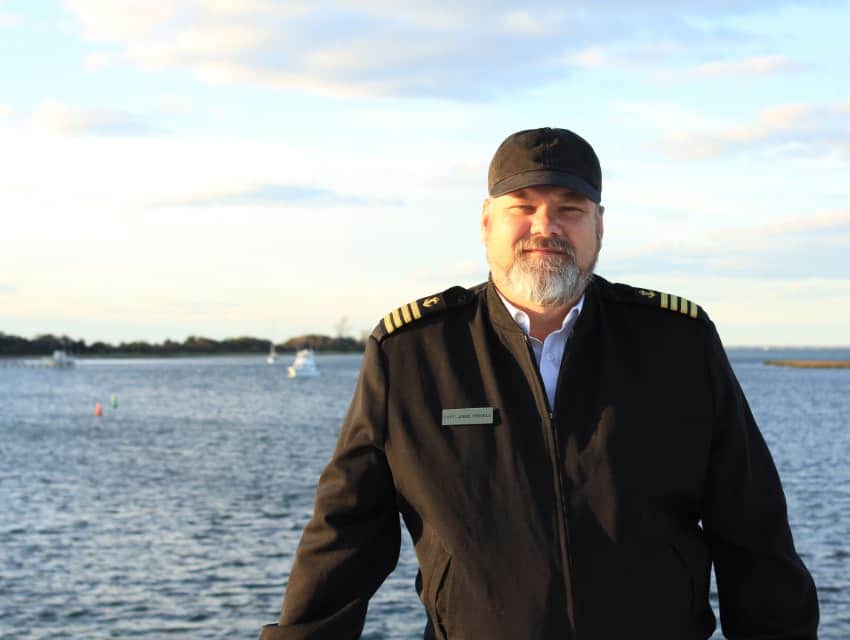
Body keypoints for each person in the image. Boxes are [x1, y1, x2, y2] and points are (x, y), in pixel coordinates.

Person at [260, 127, 819, 639]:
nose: (544, 227)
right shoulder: (411, 353)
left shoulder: (677, 344)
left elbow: (754, 534)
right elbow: (345, 537)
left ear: (599, 225)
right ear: (487, 223)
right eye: (522, 208)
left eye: (569, 209)